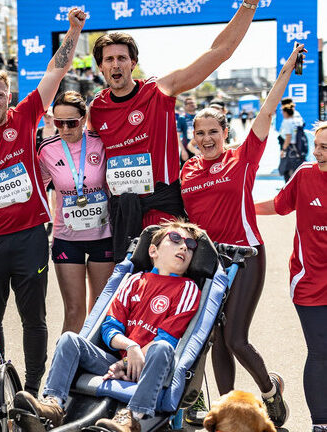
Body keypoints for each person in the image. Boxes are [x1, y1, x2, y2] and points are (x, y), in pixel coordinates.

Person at [0, 7, 87, 395]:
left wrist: (73, 30)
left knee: (34, 318)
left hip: (30, 237)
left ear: (8, 97)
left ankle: (31, 388)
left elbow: (55, 71)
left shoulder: (24, 116)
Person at [179, 43, 304, 428]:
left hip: (246, 256)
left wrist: (285, 71)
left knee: (235, 337)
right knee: (216, 337)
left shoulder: (243, 157)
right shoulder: (187, 171)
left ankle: (270, 391)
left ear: (225, 132)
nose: (206, 139)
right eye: (200, 133)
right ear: (193, 136)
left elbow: (267, 110)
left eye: (213, 132)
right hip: (209, 264)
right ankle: (227, 412)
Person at [88, 0, 261, 260]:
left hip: (162, 208)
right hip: (122, 211)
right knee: (125, 281)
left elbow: (219, 52)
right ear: (100, 66)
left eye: (122, 58)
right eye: (109, 59)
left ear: (133, 62)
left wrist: (248, 5)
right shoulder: (96, 109)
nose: (116, 65)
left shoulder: (159, 91)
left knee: (166, 275)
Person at [13, 220, 203, 432]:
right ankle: (53, 404)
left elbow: (168, 338)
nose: (184, 247)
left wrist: (126, 363)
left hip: (154, 367)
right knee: (69, 339)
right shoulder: (134, 281)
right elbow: (110, 328)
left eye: (190, 245)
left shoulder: (187, 288)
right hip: (121, 359)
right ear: (153, 251)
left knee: (161, 348)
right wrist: (129, 348)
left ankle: (131, 421)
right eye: (175, 239)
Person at [255, 121, 327, 432]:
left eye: (325, 148)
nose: (317, 152)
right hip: (310, 281)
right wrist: (245, 206)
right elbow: (280, 205)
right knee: (321, 351)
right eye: (317, 145)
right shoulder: (305, 174)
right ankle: (321, 429)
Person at [38, 91, 113, 333]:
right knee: (74, 311)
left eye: (71, 123)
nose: (64, 129)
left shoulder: (100, 142)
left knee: (100, 310)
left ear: (83, 119)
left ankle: (94, 356)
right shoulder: (47, 149)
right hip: (67, 238)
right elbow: (37, 189)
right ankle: (66, 358)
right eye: (59, 122)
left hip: (103, 235)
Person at [278, 99, 305, 182]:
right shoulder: (297, 117)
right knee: (295, 168)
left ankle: (289, 187)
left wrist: (283, 150)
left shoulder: (287, 121)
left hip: (289, 148)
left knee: (287, 169)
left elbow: (288, 137)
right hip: (297, 147)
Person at [177, 96, 200, 165]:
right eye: (189, 103)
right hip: (187, 150)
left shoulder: (200, 116)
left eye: (193, 103)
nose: (191, 104)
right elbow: (177, 136)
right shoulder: (182, 118)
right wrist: (183, 150)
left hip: (200, 149)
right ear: (185, 106)